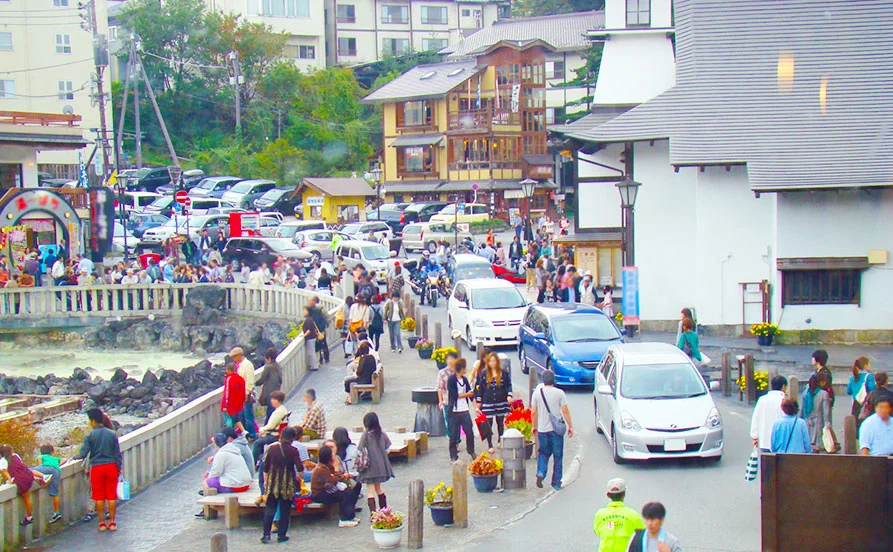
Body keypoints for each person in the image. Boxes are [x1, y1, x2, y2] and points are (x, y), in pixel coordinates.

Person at [71, 408, 123, 532]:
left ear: (93, 421)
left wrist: (74, 457)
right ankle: (112, 522)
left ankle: (101, 523)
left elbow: (83, 453)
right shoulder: (112, 434)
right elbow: (117, 454)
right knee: (111, 496)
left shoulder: (90, 436)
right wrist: (119, 468)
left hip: (97, 468)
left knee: (99, 497)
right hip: (111, 466)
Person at [531, 370, 574, 491]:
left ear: (543, 380)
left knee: (543, 453)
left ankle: (541, 472)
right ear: (553, 380)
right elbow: (565, 411)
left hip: (542, 429)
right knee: (558, 455)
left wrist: (534, 426)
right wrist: (570, 426)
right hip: (556, 430)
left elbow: (533, 412)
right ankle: (556, 482)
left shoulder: (537, 393)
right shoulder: (559, 393)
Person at [260, 427, 301, 544]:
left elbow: (265, 468)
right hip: (287, 485)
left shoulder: (272, 449)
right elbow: (300, 468)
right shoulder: (293, 450)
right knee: (285, 510)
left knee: (270, 509)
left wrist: (266, 483)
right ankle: (281, 535)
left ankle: (266, 535)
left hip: (273, 484)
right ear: (292, 438)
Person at [311, 445, 361, 527]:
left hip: (327, 490)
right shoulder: (320, 469)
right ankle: (344, 519)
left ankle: (350, 516)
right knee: (344, 495)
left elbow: (338, 477)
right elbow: (334, 480)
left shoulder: (327, 466)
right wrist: (336, 467)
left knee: (348, 491)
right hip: (319, 494)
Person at [357, 412, 394, 518]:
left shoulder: (365, 435)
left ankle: (374, 515)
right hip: (380, 467)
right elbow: (388, 449)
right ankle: (384, 512)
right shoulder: (382, 434)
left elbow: (360, 450)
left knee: (370, 491)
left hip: (369, 468)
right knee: (378, 489)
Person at [593, 478, 645, 552]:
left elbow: (597, 531)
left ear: (608, 495)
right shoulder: (633, 515)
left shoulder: (600, 514)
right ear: (624, 494)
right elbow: (641, 535)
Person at [474, 353, 513, 450]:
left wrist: (509, 395)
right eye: (490, 361)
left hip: (501, 400)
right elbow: (480, 389)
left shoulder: (503, 373)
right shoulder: (484, 373)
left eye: (494, 361)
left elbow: (508, 385)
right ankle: (490, 444)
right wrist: (479, 402)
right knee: (488, 423)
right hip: (488, 401)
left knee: (500, 422)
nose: (492, 363)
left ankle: (500, 439)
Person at [0, 444, 38, 526]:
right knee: (27, 498)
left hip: (20, 480)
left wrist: (10, 480)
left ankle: (29, 517)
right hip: (28, 475)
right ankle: (29, 517)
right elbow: (21, 465)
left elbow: (4, 471)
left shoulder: (3, 460)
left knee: (26, 498)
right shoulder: (16, 456)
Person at [447, 358, 476, 462]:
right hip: (454, 410)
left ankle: (471, 450)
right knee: (453, 434)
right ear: (461, 368)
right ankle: (453, 455)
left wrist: (475, 407)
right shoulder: (451, 380)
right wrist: (467, 395)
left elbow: (470, 394)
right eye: (465, 367)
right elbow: (454, 395)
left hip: (464, 409)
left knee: (469, 431)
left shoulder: (464, 380)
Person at [750, 375, 788, 452]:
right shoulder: (784, 401)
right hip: (781, 442)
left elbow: (756, 418)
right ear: (783, 386)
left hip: (765, 440)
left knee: (766, 462)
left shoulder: (762, 400)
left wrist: (754, 436)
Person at [252, 391, 289, 464]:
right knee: (259, 438)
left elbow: (271, 426)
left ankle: (255, 462)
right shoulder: (282, 409)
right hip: (277, 433)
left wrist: (261, 429)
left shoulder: (278, 412)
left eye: (273, 399)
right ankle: (259, 460)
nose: (271, 401)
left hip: (275, 435)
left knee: (257, 442)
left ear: (278, 401)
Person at [801, 372, 832, 452]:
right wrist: (828, 423)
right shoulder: (824, 394)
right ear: (821, 382)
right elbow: (826, 411)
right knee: (819, 445)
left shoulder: (805, 393)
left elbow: (801, 410)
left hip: (807, 421)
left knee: (808, 445)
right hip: (819, 422)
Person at [33, 444, 63, 523]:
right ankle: (56, 512)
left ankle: (43, 478)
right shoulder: (54, 458)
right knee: (55, 493)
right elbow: (65, 459)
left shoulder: (40, 456)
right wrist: (57, 465)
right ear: (52, 452)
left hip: (46, 469)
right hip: (56, 471)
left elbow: (40, 465)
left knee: (29, 471)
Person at [255, 348, 283, 423]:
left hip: (269, 392)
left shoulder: (268, 367)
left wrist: (255, 383)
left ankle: (267, 428)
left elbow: (262, 379)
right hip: (277, 391)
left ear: (269, 358)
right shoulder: (278, 366)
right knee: (274, 411)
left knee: (270, 413)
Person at [437, 351, 460, 439]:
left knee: (458, 422)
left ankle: (457, 440)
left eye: (452, 359)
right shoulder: (442, 373)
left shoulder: (459, 371)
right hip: (447, 401)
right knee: (449, 421)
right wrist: (440, 401)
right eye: (448, 359)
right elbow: (440, 388)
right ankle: (452, 440)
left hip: (458, 401)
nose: (450, 361)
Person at [221, 361, 247, 435]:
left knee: (229, 421)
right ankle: (244, 432)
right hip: (238, 404)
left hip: (230, 405)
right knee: (236, 419)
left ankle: (229, 436)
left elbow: (227, 393)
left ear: (229, 370)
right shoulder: (241, 379)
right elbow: (243, 392)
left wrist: (225, 406)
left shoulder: (229, 379)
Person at [307, 296, 330, 364]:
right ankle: (326, 357)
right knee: (323, 343)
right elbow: (326, 318)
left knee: (320, 344)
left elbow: (321, 320)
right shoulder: (320, 309)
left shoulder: (317, 310)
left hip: (318, 329)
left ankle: (321, 358)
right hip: (321, 329)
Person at [301, 306, 321, 371]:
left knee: (311, 352)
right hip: (313, 337)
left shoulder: (308, 320)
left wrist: (304, 335)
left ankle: (314, 366)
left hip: (310, 338)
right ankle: (314, 365)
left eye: (304, 310)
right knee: (312, 352)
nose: (303, 312)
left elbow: (309, 330)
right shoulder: (310, 319)